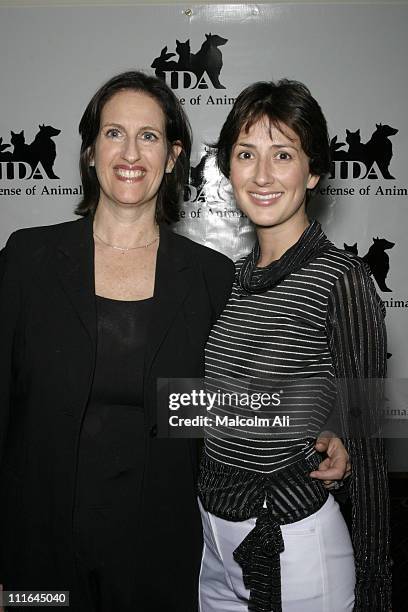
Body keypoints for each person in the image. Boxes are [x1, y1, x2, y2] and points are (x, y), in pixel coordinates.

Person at [0, 71, 350, 612]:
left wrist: (333, 423)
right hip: (37, 551)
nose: (130, 152)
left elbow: (258, 374)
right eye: (114, 133)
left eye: (149, 136)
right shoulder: (26, 260)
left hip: (161, 552)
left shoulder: (211, 277)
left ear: (172, 156)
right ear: (90, 151)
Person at [198, 80, 391, 612]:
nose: (261, 175)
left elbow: (369, 446)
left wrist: (377, 587)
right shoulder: (222, 282)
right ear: (228, 168)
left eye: (282, 154)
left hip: (298, 545)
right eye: (246, 154)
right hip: (212, 544)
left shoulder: (341, 277)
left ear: (312, 171)